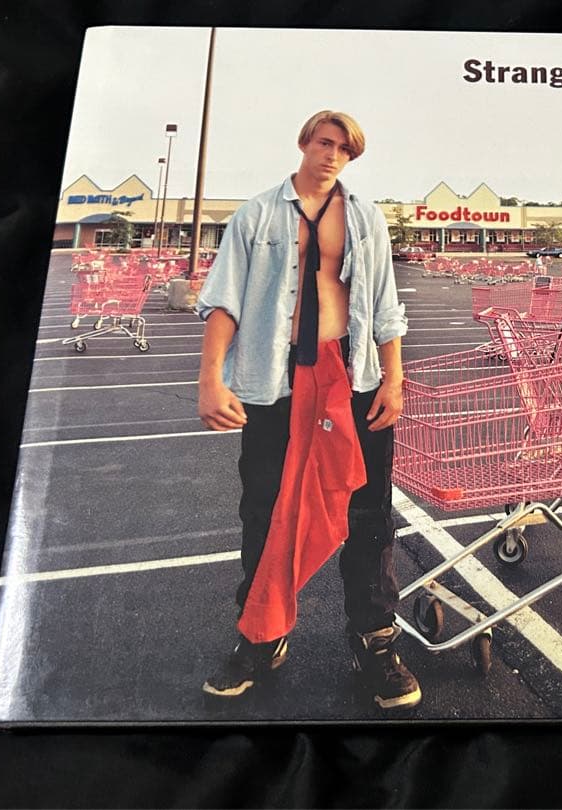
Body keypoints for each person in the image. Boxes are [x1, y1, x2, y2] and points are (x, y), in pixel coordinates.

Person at [194, 110, 419, 710]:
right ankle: (260, 636)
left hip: (353, 377)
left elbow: (386, 305)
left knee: (368, 512)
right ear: (304, 143)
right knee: (265, 510)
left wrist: (393, 381)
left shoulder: (366, 218)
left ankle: (373, 639)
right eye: (325, 143)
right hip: (276, 382)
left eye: (345, 149)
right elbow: (223, 300)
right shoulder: (256, 214)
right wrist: (210, 380)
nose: (333, 156)